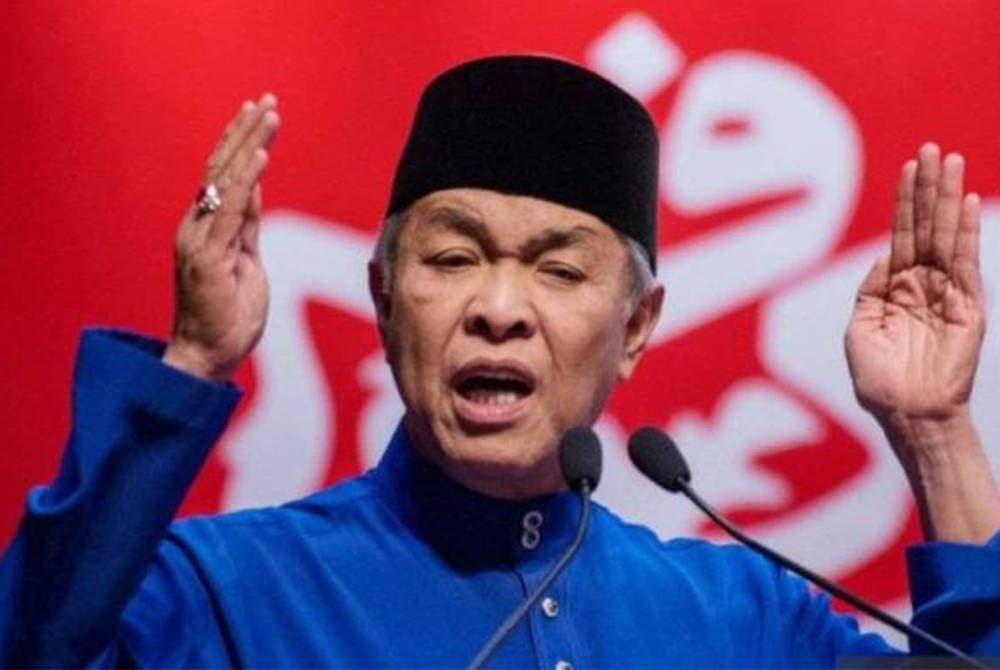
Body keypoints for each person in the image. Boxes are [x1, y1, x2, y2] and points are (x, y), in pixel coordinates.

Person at [1, 55, 999, 668]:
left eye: (558, 271)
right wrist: (193, 362)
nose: (498, 309)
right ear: (383, 296)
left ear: (636, 328)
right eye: (452, 259)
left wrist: (934, 434)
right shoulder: (226, 591)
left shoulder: (746, 619)